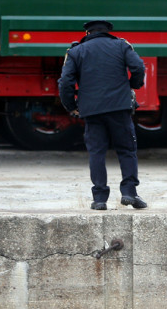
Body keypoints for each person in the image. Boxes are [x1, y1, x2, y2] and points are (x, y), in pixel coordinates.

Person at [58, 20, 147, 211]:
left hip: (91, 110)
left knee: (97, 152)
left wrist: (71, 106)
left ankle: (99, 199)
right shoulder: (121, 46)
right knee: (127, 150)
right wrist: (133, 86)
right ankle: (129, 193)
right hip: (119, 109)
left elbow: (65, 82)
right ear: (108, 32)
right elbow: (138, 68)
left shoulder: (76, 51)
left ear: (88, 33)